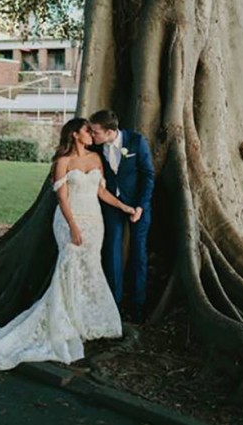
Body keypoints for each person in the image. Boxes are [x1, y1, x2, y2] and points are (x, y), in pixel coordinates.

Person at [0, 118, 135, 372]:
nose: (92, 134)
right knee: (68, 268)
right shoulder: (62, 162)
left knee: (91, 267)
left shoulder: (96, 159)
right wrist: (73, 227)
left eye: (92, 131)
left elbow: (101, 193)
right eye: (87, 130)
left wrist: (124, 207)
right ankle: (64, 320)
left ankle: (88, 318)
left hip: (95, 221)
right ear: (75, 134)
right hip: (70, 221)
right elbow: (63, 199)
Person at [89, 110, 155, 324]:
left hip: (137, 206)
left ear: (110, 131)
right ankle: (114, 306)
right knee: (112, 250)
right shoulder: (96, 146)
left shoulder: (136, 142)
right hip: (112, 205)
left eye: (96, 131)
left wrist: (140, 207)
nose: (92, 134)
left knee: (139, 253)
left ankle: (138, 307)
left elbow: (147, 175)